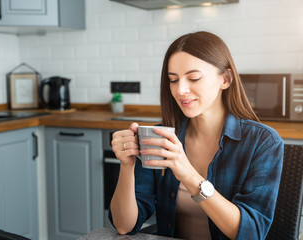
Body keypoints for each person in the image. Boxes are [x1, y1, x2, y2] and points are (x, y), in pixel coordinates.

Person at [108, 31, 284, 240]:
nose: (181, 89)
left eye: (194, 78)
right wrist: (127, 166)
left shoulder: (263, 143)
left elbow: (252, 234)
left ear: (225, 80)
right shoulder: (160, 137)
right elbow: (124, 226)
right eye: (173, 80)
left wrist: (189, 175)